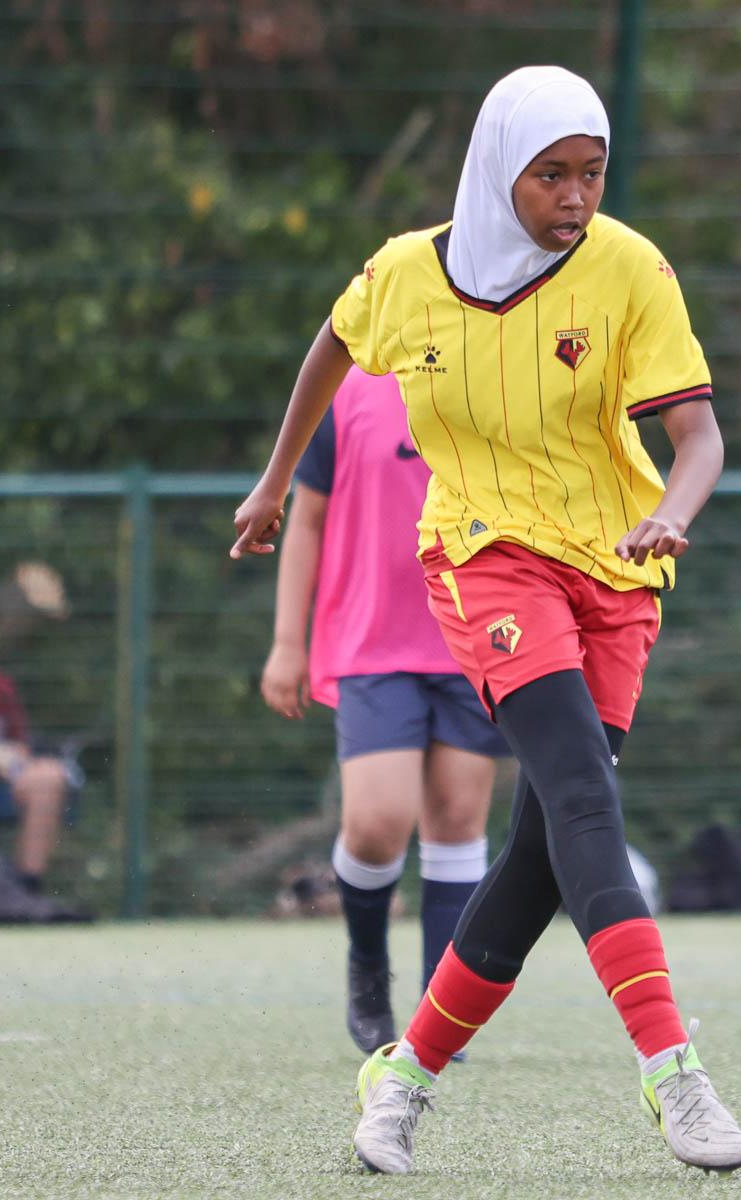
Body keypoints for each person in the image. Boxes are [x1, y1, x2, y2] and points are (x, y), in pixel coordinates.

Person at [230, 66, 741, 1174]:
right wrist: (275, 482)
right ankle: (675, 1076)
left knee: (541, 858)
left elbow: (699, 439)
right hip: (482, 556)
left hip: (615, 566)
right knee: (580, 800)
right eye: (550, 175)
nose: (576, 197)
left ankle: (402, 1076)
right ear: (492, 171)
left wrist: (669, 512)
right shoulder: (407, 276)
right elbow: (330, 344)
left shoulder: (630, 268)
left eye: (593, 173)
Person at [259, 365, 510, 1054]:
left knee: (458, 819)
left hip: (473, 633)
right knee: (376, 825)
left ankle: (442, 1007)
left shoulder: (494, 368)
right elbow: (304, 520)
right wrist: (288, 642)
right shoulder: (345, 388)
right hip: (370, 643)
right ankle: (367, 968)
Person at [0, 576, 75, 900]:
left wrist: (5, 759)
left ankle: (28, 887)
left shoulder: (1, 687)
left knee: (49, 776)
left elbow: (18, 744)